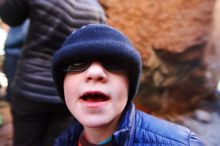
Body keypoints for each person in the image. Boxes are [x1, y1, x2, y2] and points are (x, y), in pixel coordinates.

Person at [51, 24, 204, 146]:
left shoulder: (182, 143)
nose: (95, 72)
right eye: (77, 63)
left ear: (129, 83)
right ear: (62, 83)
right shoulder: (62, 141)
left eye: (114, 63)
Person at [0, 0, 106, 146]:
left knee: (26, 141)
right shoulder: (96, 11)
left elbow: (9, 16)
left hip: (31, 87)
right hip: (67, 94)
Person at [3, 20, 29, 101]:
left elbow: (25, 34)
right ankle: (10, 97)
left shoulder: (25, 19)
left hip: (16, 53)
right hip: (13, 52)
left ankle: (12, 100)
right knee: (11, 78)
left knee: (13, 79)